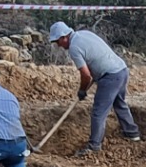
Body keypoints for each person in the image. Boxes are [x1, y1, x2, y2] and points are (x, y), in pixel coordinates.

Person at [47, 21, 140, 157]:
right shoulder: (84, 34)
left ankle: (94, 146)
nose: (59, 46)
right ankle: (132, 134)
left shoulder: (74, 48)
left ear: (64, 37)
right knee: (119, 103)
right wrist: (90, 79)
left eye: (58, 42)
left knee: (98, 112)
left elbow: (85, 75)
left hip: (110, 76)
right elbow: (93, 61)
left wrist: (82, 90)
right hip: (122, 70)